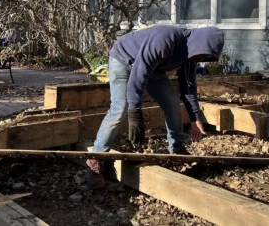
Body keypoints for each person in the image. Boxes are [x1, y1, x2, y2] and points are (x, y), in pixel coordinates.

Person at [86, 25, 225, 189]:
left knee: (172, 102)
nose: (200, 58)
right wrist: (135, 114)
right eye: (202, 54)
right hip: (123, 59)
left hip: (152, 68)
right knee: (120, 108)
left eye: (205, 57)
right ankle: (96, 159)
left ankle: (177, 149)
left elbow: (188, 86)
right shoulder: (165, 39)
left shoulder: (191, 54)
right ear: (199, 43)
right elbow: (137, 77)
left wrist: (195, 117)